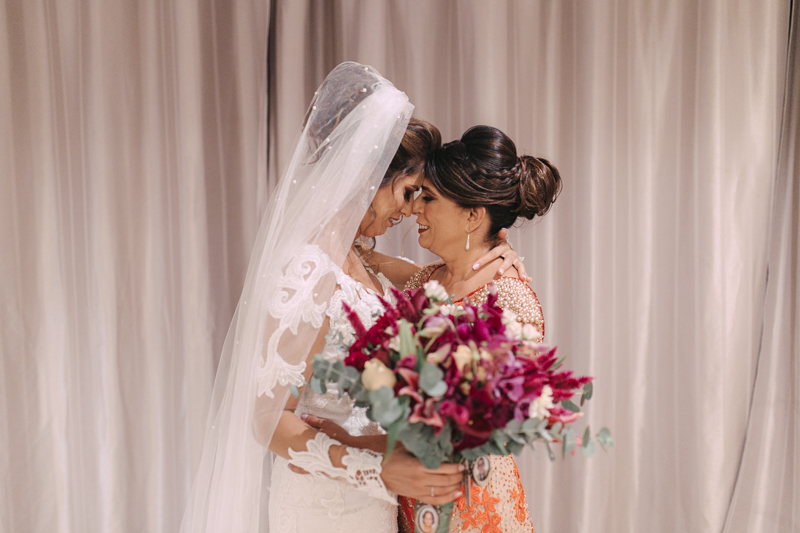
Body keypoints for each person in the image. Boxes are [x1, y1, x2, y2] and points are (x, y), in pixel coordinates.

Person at [180, 63, 523, 533]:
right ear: (367, 177)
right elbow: (265, 418)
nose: (410, 211)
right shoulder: (307, 271)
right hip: (322, 507)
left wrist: (491, 252)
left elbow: (441, 285)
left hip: (378, 505)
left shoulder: (364, 264)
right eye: (408, 192)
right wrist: (374, 470)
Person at [398, 124, 562, 533]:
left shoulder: (509, 297)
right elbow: (361, 262)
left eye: (429, 198)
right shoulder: (425, 280)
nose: (416, 209)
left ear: (473, 215)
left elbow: (504, 417)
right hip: (410, 496)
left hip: (474, 504)